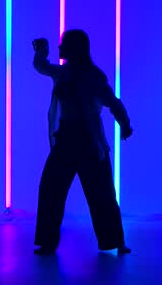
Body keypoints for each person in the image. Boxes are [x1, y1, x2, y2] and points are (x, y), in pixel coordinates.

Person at [32, 29, 133, 256]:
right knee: (53, 190)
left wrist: (125, 124)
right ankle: (51, 242)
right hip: (69, 138)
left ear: (74, 48)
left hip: (86, 140)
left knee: (100, 193)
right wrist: (40, 52)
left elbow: (113, 102)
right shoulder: (65, 73)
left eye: (63, 44)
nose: (59, 48)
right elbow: (42, 67)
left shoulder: (92, 77)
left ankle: (116, 241)